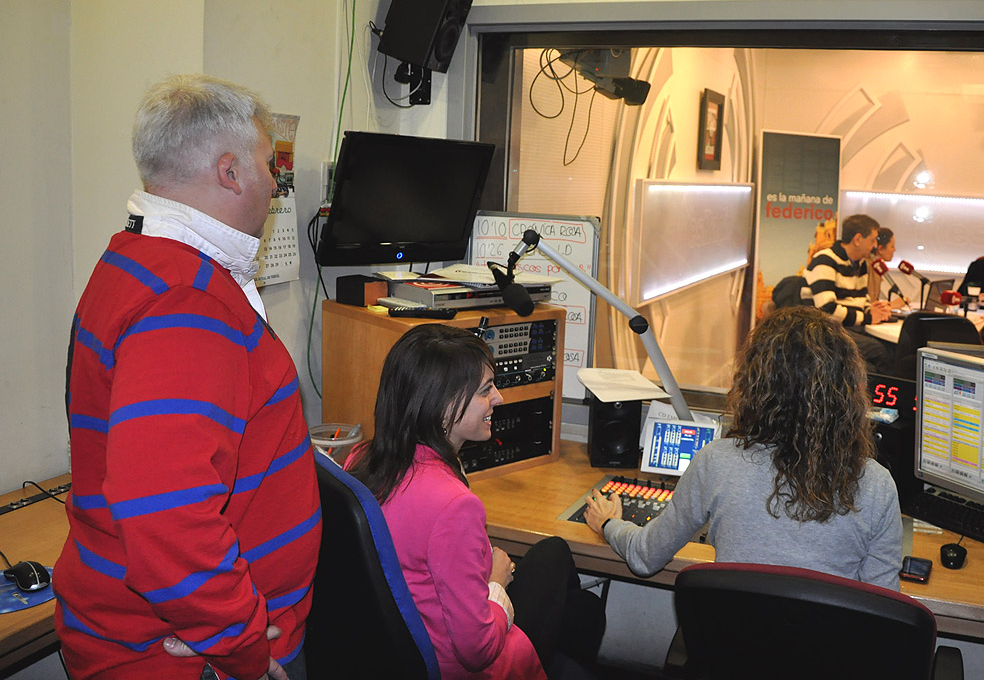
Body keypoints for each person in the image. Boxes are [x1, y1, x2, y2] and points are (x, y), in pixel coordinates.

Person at [57, 75, 320, 680]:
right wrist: (236, 638)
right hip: (195, 653)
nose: (275, 182)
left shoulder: (135, 258)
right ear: (230, 172)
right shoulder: (188, 301)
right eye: (268, 164)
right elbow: (163, 509)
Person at [346, 325, 605, 679]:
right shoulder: (453, 505)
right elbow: (476, 649)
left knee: (581, 607)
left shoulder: (360, 460)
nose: (499, 398)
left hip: (393, 654)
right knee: (559, 561)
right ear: (443, 405)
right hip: (460, 666)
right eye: (486, 390)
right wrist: (496, 582)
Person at [585, 306, 903, 590]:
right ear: (847, 391)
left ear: (754, 385)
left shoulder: (716, 463)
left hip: (728, 639)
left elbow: (645, 557)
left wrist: (609, 523)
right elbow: (885, 606)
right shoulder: (877, 485)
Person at [789, 213, 893, 372]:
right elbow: (827, 310)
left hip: (848, 327)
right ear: (858, 239)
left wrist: (874, 310)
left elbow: (862, 299)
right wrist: (868, 317)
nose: (875, 246)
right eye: (872, 240)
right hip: (823, 331)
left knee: (890, 350)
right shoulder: (825, 260)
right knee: (879, 351)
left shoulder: (861, 264)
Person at [867, 227, 907, 311]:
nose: (894, 250)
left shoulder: (876, 267)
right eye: (892, 246)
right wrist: (891, 306)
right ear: (880, 249)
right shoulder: (869, 266)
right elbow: (868, 305)